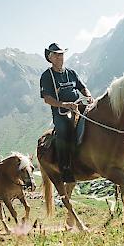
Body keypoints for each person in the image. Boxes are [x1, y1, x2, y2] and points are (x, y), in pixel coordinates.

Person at [39, 42, 93, 182]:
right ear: (50, 58)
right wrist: (65, 105)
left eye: (61, 54)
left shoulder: (71, 72)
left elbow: (82, 87)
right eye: (56, 55)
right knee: (64, 132)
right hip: (61, 113)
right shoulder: (47, 76)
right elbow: (47, 98)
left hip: (79, 107)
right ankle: (65, 168)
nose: (59, 57)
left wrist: (88, 96)